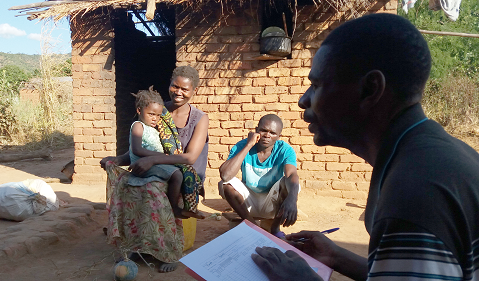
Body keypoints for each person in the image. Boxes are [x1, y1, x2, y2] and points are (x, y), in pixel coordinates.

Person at [251, 13, 479, 280]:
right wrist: (336, 257)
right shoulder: (435, 156)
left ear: (370, 89)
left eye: (316, 85)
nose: (303, 100)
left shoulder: (414, 191)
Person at [100, 65, 209, 273]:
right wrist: (116, 159)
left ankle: (168, 249)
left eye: (185, 89)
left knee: (151, 191)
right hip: (156, 167)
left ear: (194, 91)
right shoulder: (157, 109)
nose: (178, 92)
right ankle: (137, 244)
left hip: (185, 175)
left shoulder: (199, 118)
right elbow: (139, 148)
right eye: (174, 86)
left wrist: (152, 161)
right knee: (127, 186)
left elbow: (189, 157)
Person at [218, 114, 300, 237]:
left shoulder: (284, 150)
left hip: (272, 203)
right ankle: (252, 225)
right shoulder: (243, 145)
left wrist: (293, 199)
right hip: (246, 201)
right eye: (263, 130)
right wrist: (249, 145)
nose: (267, 135)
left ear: (279, 136)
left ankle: (275, 229)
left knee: (289, 183)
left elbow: (292, 174)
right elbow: (225, 175)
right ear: (256, 130)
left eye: (272, 133)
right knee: (225, 184)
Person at [128, 86, 204, 219]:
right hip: (141, 164)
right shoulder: (138, 126)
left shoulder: (157, 128)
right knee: (177, 175)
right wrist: (161, 156)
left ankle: (191, 205)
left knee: (186, 172)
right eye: (151, 114)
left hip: (154, 163)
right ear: (139, 110)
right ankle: (174, 208)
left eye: (158, 115)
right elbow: (137, 149)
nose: (155, 119)